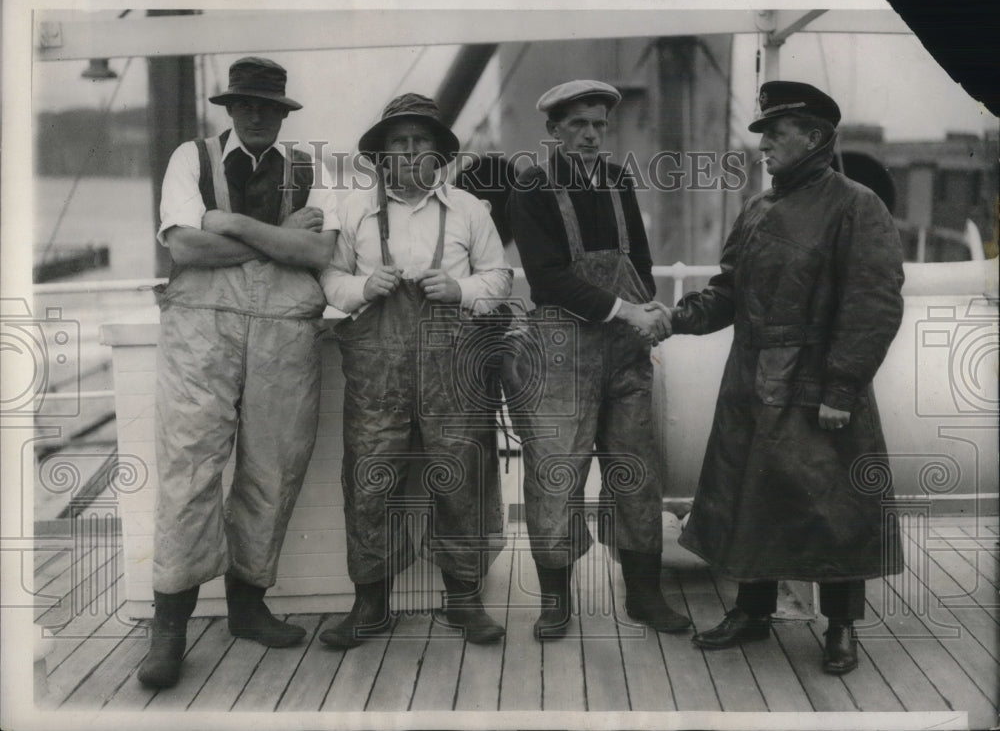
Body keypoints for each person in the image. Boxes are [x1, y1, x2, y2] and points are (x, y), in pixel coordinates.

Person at [667, 81, 905, 675]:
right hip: (751, 381)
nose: (763, 144)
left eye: (776, 132)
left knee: (836, 508)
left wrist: (842, 389)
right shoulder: (758, 209)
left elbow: (872, 305)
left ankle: (842, 627)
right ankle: (752, 612)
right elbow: (729, 290)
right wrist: (677, 317)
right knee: (754, 496)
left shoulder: (857, 205)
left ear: (816, 137)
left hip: (817, 384)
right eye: (763, 133)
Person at [139, 57, 338, 688]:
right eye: (244, 104)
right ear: (229, 109)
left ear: (283, 113)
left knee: (275, 465)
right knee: (188, 464)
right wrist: (279, 235)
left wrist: (232, 225)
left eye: (267, 106)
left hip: (285, 333)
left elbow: (319, 252)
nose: (255, 114)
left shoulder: (313, 168)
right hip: (200, 334)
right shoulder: (189, 160)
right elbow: (184, 246)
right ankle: (169, 625)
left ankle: (248, 608)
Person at [319, 94, 513, 648]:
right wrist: (362, 288)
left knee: (460, 477)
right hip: (377, 375)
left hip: (454, 371)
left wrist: (461, 288)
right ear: (382, 154)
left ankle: (464, 601)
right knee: (369, 479)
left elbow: (500, 280)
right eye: (398, 142)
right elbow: (329, 283)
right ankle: (370, 605)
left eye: (420, 141)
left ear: (438, 153)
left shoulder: (471, 209)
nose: (409, 151)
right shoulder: (353, 210)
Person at [502, 79, 690, 640]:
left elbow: (642, 259)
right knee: (556, 473)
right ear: (553, 131)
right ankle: (556, 601)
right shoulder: (531, 189)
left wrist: (648, 310)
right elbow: (547, 278)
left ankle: (644, 596)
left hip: (625, 353)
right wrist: (624, 311)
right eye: (578, 124)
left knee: (636, 472)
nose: (590, 134)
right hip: (561, 351)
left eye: (599, 125)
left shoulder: (616, 181)